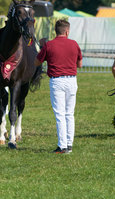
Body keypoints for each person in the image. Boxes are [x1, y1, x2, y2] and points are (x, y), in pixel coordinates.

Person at [35, 19, 83, 154]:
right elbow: (80, 64)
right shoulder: (74, 44)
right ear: (67, 31)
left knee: (60, 115)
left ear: (55, 31)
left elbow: (36, 62)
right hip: (72, 80)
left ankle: (62, 146)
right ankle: (69, 144)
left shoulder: (49, 45)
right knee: (69, 114)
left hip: (57, 81)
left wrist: (43, 47)